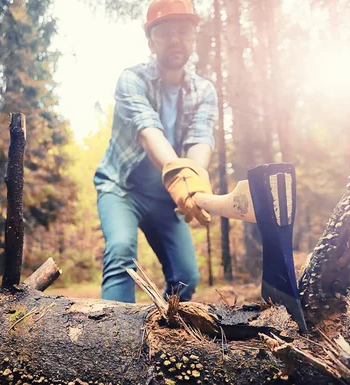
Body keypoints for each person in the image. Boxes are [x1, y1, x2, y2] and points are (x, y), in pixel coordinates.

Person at [93, 0, 218, 303]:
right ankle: (113, 338)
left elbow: (200, 141)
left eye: (184, 31)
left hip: (165, 196)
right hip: (121, 189)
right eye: (165, 33)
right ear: (151, 41)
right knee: (122, 250)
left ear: (193, 38)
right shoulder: (131, 80)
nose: (176, 39)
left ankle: (164, 331)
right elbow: (150, 134)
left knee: (186, 277)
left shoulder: (204, 91)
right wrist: (180, 175)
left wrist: (194, 182)